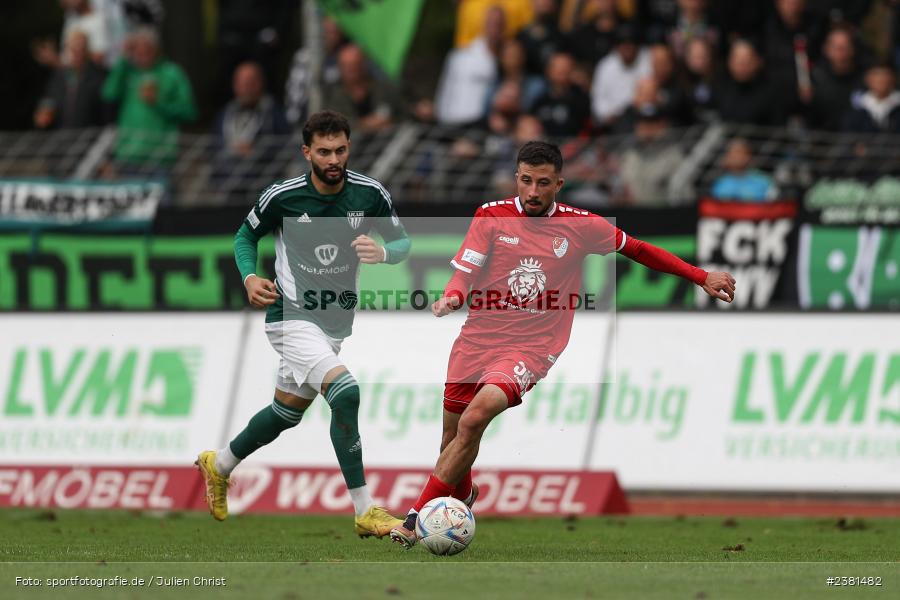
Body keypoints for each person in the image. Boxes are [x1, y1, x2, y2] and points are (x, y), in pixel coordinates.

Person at [389, 141, 735, 548]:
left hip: (531, 347)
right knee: (452, 439)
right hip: (476, 340)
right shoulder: (491, 216)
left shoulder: (581, 225)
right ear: (516, 178)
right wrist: (453, 296)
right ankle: (463, 493)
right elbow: (465, 272)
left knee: (473, 419)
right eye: (526, 181)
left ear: (559, 184)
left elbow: (638, 250)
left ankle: (414, 519)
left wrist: (700, 276)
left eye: (543, 183)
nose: (533, 191)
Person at [195, 111, 411, 538]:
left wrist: (384, 253)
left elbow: (402, 241)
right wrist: (249, 276)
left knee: (285, 413)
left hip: (333, 325)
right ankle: (365, 510)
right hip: (290, 317)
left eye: (341, 150)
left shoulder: (370, 194)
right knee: (345, 393)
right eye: (324, 152)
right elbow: (245, 236)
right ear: (307, 152)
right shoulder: (284, 197)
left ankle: (218, 464)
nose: (334, 160)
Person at [101, 27, 196, 175]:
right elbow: (108, 94)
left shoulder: (172, 73)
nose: (141, 53)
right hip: (128, 155)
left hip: (160, 157)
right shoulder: (126, 72)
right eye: (136, 49)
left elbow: (189, 112)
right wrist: (123, 59)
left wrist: (158, 102)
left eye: (146, 48)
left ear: (156, 49)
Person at [34, 29, 108, 130]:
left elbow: (105, 109)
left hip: (90, 133)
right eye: (73, 49)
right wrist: (44, 111)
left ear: (87, 50)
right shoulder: (60, 76)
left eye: (80, 49)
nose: (77, 53)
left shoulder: (99, 76)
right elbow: (49, 99)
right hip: (64, 134)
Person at [710, 138, 777, 202]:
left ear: (748, 156)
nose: (735, 156)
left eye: (738, 152)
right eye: (731, 153)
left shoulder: (764, 181)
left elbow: (772, 205)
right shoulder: (720, 184)